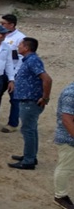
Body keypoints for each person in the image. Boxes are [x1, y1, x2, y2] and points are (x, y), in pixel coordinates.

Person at [9, 37, 52, 170]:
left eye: (20, 45)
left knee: (28, 130)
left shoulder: (32, 60)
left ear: (26, 48)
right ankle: (30, 155)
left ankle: (28, 160)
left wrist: (45, 98)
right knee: (30, 130)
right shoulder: (29, 60)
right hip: (28, 100)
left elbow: (47, 79)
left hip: (30, 101)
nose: (18, 47)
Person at [0, 14, 27, 134]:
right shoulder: (0, 36)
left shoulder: (20, 38)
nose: (1, 25)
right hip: (0, 71)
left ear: (11, 25)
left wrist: (14, 75)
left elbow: (21, 58)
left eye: (3, 23)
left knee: (15, 99)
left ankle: (13, 123)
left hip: (14, 72)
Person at [54, 80, 74, 209]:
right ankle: (60, 196)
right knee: (65, 167)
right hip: (69, 138)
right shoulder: (70, 93)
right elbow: (67, 120)